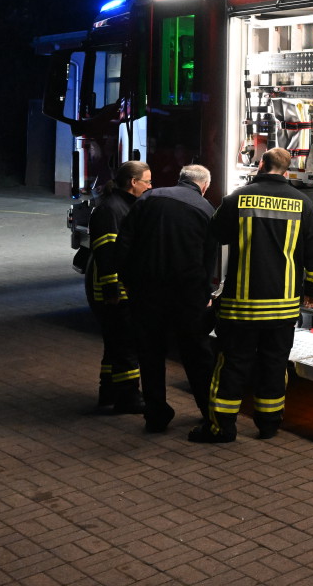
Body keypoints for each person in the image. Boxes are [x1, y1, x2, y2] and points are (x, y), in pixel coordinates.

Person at [190, 148, 313, 443]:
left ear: (261, 164)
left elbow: (216, 234)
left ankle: (221, 427)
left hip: (242, 305)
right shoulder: (303, 203)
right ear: (287, 170)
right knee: (274, 364)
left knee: (232, 364)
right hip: (283, 307)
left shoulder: (237, 198)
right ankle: (268, 424)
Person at [118, 164, 219, 434]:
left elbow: (124, 242)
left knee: (150, 354)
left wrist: (128, 281)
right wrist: (204, 294)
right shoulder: (206, 209)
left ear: (180, 179)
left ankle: (156, 414)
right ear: (204, 186)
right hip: (186, 296)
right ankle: (209, 412)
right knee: (196, 354)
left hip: (146, 292)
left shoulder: (149, 198)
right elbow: (208, 260)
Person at [85, 160, 151, 414]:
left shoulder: (122, 205)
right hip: (115, 290)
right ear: (133, 182)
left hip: (121, 287)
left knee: (115, 344)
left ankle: (109, 393)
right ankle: (129, 397)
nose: (150, 186)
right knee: (126, 344)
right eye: (147, 181)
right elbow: (107, 253)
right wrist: (112, 289)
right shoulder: (112, 210)